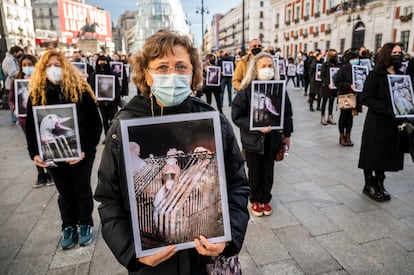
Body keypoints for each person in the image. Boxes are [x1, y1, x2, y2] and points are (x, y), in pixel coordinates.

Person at [94, 30, 250, 274]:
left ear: (192, 73)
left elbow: (238, 185)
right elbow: (108, 200)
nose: (172, 75)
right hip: (154, 267)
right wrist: (132, 252)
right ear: (146, 74)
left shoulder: (214, 122)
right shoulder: (122, 127)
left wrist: (229, 237)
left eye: (181, 67)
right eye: (162, 67)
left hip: (204, 262)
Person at [24, 51, 102, 249]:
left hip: (81, 153)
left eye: (58, 64)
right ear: (42, 69)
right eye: (49, 65)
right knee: (64, 191)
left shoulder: (80, 90)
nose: (53, 69)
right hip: (53, 153)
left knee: (81, 188)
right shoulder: (37, 94)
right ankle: (68, 226)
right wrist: (34, 153)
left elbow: (95, 124)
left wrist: (84, 149)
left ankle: (84, 223)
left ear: (65, 66)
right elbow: (32, 128)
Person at [231, 52, 293, 217]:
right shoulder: (246, 90)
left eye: (270, 66)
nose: (267, 69)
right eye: (263, 66)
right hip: (253, 141)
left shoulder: (279, 89)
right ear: (255, 70)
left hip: (272, 140)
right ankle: (255, 199)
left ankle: (265, 198)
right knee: (254, 171)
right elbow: (237, 115)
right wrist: (255, 128)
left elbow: (287, 113)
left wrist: (287, 135)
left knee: (268, 171)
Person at [358, 42, 406, 202]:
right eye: (395, 53)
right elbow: (366, 98)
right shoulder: (375, 75)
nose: (398, 55)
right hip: (377, 122)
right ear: (387, 54)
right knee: (373, 154)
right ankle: (369, 184)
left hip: (393, 124)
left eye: (400, 52)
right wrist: (387, 109)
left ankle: (380, 182)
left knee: (386, 155)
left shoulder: (401, 75)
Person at [8, 54, 54, 188]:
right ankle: (41, 174)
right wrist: (15, 109)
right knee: (33, 145)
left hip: (40, 118)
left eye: (30, 64)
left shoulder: (43, 80)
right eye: (24, 65)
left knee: (45, 144)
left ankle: (50, 172)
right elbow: (12, 100)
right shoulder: (16, 81)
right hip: (25, 120)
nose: (27, 67)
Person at [88, 55, 121, 138]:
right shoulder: (94, 75)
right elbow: (92, 88)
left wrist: (115, 97)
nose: (102, 64)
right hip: (101, 103)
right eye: (100, 62)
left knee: (113, 120)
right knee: (104, 121)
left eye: (104, 61)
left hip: (112, 102)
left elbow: (117, 87)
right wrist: (95, 98)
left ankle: (113, 136)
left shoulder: (113, 74)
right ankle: (107, 136)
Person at [334, 50, 360, 146]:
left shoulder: (358, 69)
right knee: (343, 116)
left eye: (357, 59)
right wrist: (349, 85)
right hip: (345, 96)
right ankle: (342, 136)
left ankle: (348, 135)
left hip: (354, 97)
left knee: (351, 117)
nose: (356, 60)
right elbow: (337, 82)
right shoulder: (343, 69)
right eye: (354, 59)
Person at [2, 45, 24, 121]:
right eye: (19, 54)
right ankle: (15, 119)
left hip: (13, 83)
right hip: (11, 83)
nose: (20, 56)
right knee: (14, 101)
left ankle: (15, 118)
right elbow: (12, 73)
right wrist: (21, 71)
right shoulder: (9, 60)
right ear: (15, 52)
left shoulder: (12, 59)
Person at [319, 49, 338, 125]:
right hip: (326, 87)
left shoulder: (337, 64)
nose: (334, 56)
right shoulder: (325, 64)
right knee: (324, 102)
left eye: (335, 55)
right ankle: (322, 117)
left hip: (334, 87)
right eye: (333, 55)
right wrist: (328, 83)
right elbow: (322, 76)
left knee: (331, 102)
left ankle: (330, 117)